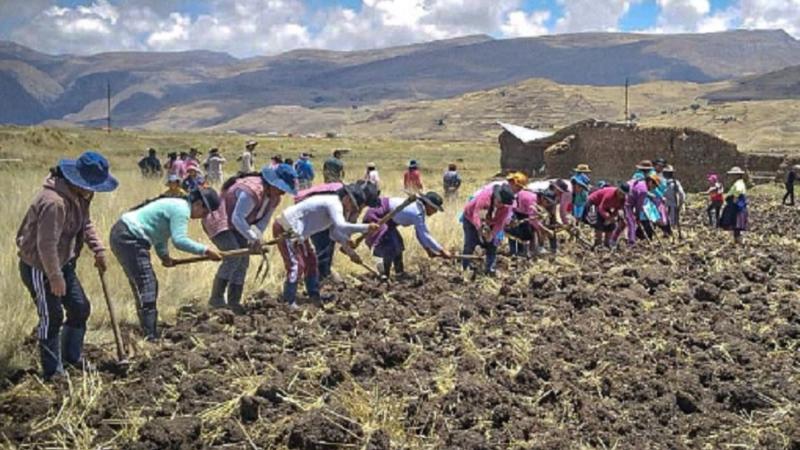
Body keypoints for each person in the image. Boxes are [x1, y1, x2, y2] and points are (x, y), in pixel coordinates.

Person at [17, 151, 118, 379]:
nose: (93, 190)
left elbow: (86, 223)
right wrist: (54, 276)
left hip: (63, 262)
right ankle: (53, 372)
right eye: (91, 185)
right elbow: (46, 244)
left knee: (80, 308)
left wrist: (98, 249)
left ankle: (72, 357)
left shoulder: (81, 196)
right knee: (51, 316)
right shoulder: (54, 203)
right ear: (76, 179)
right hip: (39, 266)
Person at [110, 189, 222, 340]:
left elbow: (160, 233)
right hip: (130, 237)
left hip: (125, 233)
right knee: (147, 284)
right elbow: (179, 240)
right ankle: (149, 334)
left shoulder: (177, 206)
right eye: (205, 211)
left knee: (144, 284)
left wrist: (164, 256)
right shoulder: (181, 209)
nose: (204, 216)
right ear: (198, 204)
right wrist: (206, 251)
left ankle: (148, 328)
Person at [203, 164, 298, 311]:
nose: (282, 193)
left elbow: (263, 221)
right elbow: (237, 218)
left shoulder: (274, 198)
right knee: (234, 256)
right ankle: (216, 299)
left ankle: (234, 302)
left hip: (241, 227)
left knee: (243, 261)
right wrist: (253, 238)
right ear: (272, 183)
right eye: (281, 189)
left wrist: (256, 237)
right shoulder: (252, 191)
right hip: (222, 222)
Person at [274, 183, 380, 308]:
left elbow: (334, 233)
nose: (351, 209)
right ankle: (288, 301)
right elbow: (342, 226)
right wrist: (366, 228)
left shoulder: (338, 206)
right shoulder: (333, 203)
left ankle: (314, 295)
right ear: (347, 198)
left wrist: (351, 252)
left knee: (311, 261)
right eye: (352, 204)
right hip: (286, 227)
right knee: (296, 265)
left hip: (299, 233)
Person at [364, 192, 450, 279]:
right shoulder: (417, 213)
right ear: (428, 205)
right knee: (390, 246)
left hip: (389, 222)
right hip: (379, 217)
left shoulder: (418, 210)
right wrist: (442, 250)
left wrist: (428, 250)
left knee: (398, 243)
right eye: (434, 209)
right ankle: (384, 275)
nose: (435, 212)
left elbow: (420, 234)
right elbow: (425, 235)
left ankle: (399, 273)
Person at [462, 182, 515, 275]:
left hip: (491, 222)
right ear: (496, 197)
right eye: (499, 202)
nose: (500, 206)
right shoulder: (485, 197)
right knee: (470, 243)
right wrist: (480, 229)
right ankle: (465, 268)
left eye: (503, 204)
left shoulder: (506, 206)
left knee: (493, 245)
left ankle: (489, 268)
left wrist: (492, 234)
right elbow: (476, 215)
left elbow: (500, 223)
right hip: (471, 219)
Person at [614, 172, 660, 246]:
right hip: (627, 204)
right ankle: (631, 243)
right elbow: (639, 205)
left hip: (627, 202)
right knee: (632, 223)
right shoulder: (643, 190)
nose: (654, 188)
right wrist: (638, 216)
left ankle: (613, 239)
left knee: (623, 224)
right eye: (654, 186)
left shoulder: (641, 182)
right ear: (650, 182)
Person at [505, 189, 554, 257]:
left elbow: (533, 221)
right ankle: (513, 252)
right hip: (512, 209)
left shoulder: (535, 199)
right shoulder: (532, 202)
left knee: (525, 231)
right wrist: (546, 230)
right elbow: (533, 221)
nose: (547, 205)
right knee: (514, 231)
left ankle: (522, 251)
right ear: (543, 198)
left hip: (520, 211)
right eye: (547, 202)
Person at [584, 183, 628, 247]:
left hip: (605, 207)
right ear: (618, 190)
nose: (621, 196)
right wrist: (608, 217)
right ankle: (598, 243)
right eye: (620, 193)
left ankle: (607, 243)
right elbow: (601, 208)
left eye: (623, 194)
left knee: (611, 225)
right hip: (593, 203)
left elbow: (617, 209)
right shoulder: (609, 195)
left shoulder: (623, 200)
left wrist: (612, 217)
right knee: (598, 223)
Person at [720, 167, 749, 244]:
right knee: (736, 226)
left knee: (737, 225)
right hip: (735, 205)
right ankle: (737, 241)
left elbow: (738, 192)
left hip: (736, 206)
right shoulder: (738, 183)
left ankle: (739, 241)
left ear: (737, 176)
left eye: (733, 175)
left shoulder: (738, 183)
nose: (731, 177)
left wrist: (734, 199)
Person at [663, 165, 686, 236]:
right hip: (673, 206)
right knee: (673, 222)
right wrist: (681, 204)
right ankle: (673, 235)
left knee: (667, 221)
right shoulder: (675, 183)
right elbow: (682, 195)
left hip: (665, 206)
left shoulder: (661, 183)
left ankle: (669, 235)